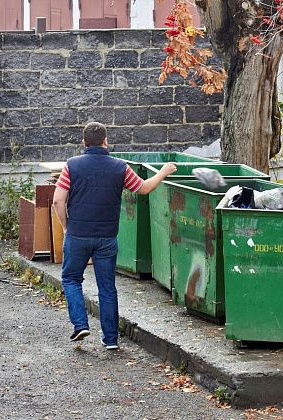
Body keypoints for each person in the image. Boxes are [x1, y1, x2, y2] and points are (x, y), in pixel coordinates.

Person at [52, 122, 176, 350]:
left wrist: (66, 226)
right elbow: (144, 188)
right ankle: (110, 339)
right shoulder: (120, 167)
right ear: (106, 141)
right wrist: (164, 172)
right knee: (107, 287)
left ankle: (80, 325)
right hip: (107, 237)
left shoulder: (72, 166)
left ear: (83, 142)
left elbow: (58, 200)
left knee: (71, 279)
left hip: (78, 234)